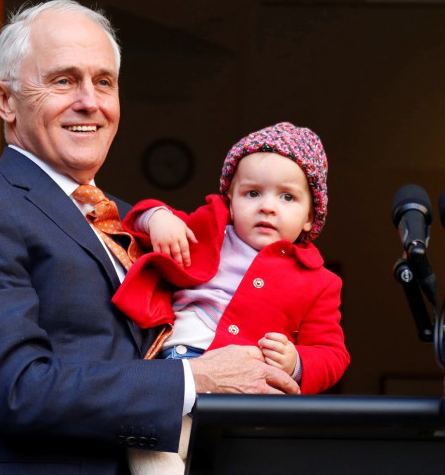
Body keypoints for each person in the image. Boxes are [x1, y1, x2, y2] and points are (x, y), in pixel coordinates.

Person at [0, 0, 300, 475]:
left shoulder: (127, 218)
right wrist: (196, 378)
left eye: (103, 82)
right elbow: (18, 389)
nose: (89, 102)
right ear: (5, 100)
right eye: (63, 80)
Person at [113, 122, 350, 474]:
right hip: (177, 370)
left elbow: (333, 354)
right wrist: (158, 218)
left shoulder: (319, 280)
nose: (268, 207)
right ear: (230, 200)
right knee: (147, 438)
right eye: (252, 193)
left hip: (245, 396)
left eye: (287, 197)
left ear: (310, 218)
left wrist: (296, 362)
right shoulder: (207, 231)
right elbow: (138, 222)